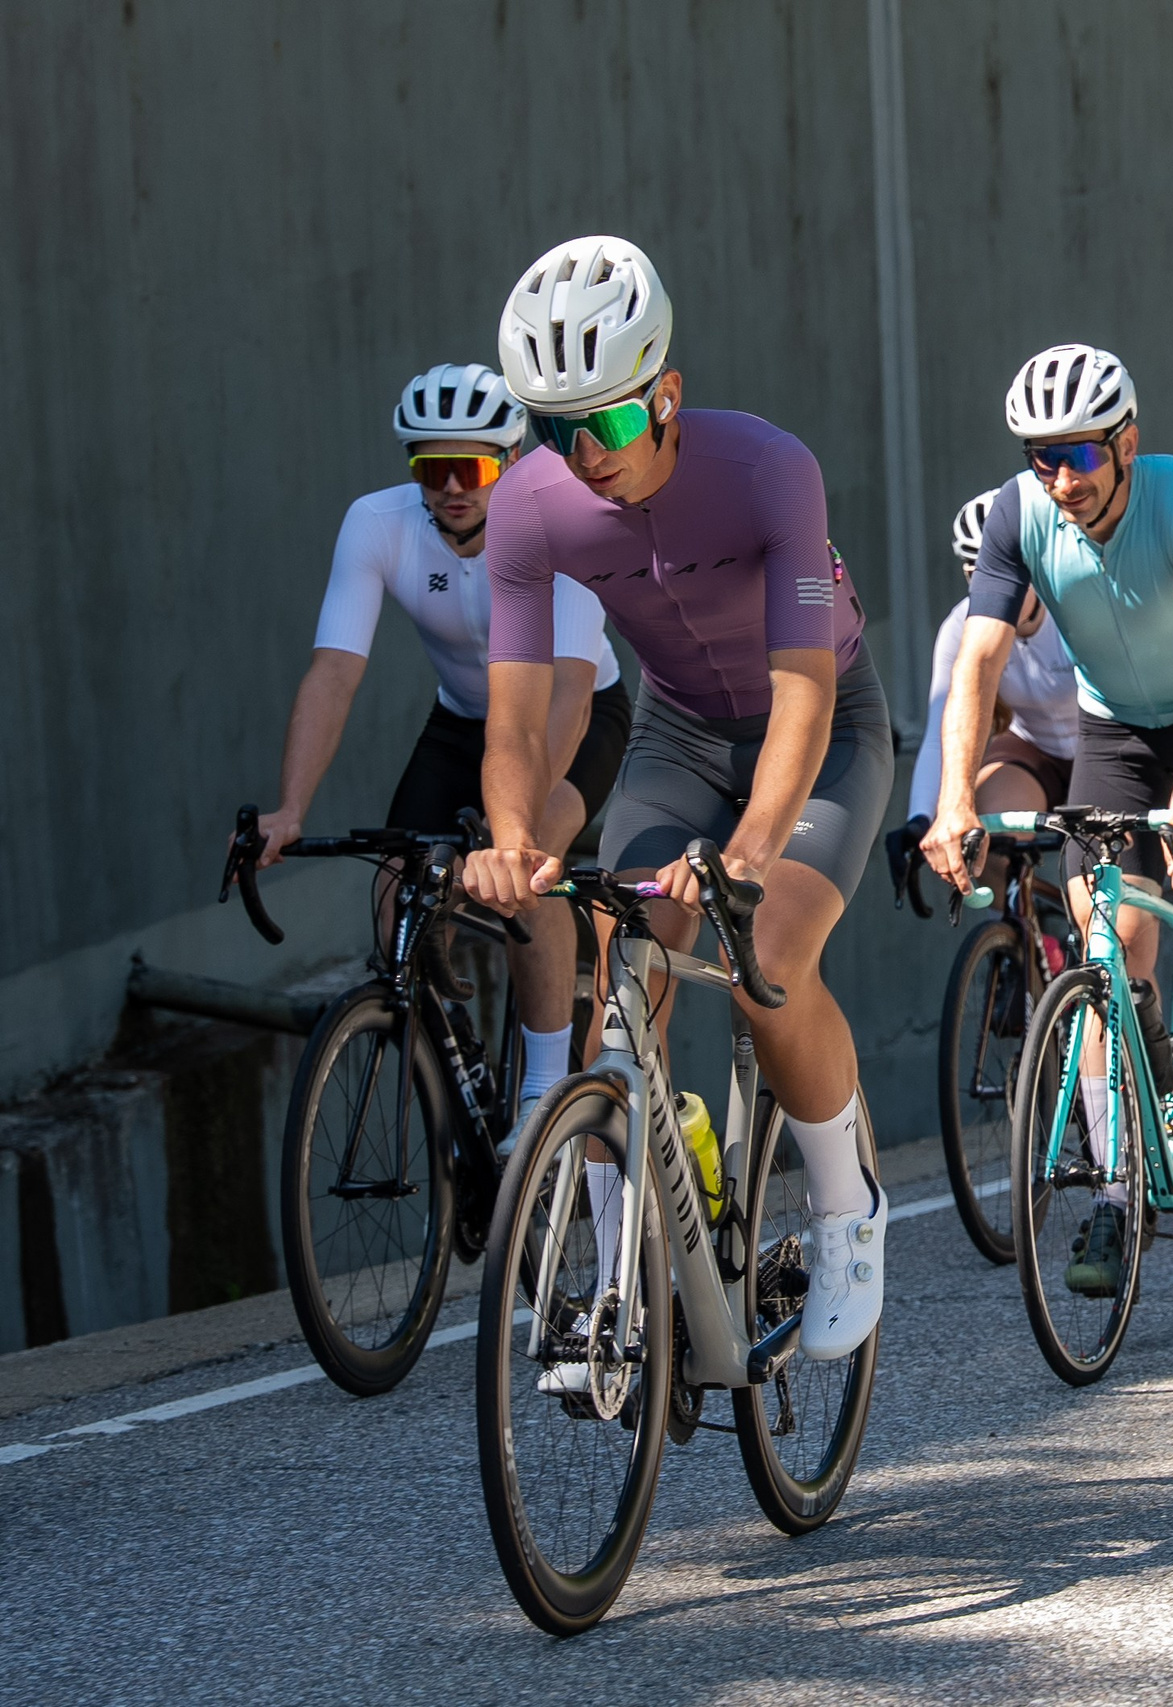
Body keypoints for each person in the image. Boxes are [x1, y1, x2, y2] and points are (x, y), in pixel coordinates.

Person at [463, 235, 890, 1365]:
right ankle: (622, 1261)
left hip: (826, 729)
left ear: (666, 397)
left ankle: (848, 1210)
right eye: (554, 430)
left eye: (603, 423)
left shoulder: (767, 471)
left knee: (772, 958)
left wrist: (749, 851)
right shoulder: (527, 509)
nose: (582, 455)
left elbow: (804, 690)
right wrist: (510, 840)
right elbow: (511, 722)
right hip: (681, 735)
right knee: (626, 962)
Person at [921, 345, 1173, 1300]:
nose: (1060, 478)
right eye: (1042, 457)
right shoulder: (1018, 514)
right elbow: (979, 662)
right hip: (1116, 725)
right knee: (1103, 938)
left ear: (1127, 442)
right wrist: (955, 795)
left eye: (1079, 455)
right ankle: (1117, 1192)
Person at [255, 363, 628, 1128]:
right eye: (433, 469)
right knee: (398, 893)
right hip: (462, 720)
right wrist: (289, 807)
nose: (452, 487)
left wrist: (513, 827)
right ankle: (453, 1072)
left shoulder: (566, 527)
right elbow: (333, 673)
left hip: (577, 714)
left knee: (530, 868)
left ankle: (543, 1092)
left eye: (473, 467)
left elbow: (563, 699)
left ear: (515, 462)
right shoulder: (377, 525)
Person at [891, 488, 1080, 884]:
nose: (999, 589)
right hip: (1032, 748)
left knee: (1103, 868)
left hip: (1101, 744)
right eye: (980, 576)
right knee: (986, 840)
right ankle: (1024, 936)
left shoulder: (1076, 605)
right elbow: (938, 733)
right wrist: (920, 819)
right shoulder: (961, 627)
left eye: (1012, 570)